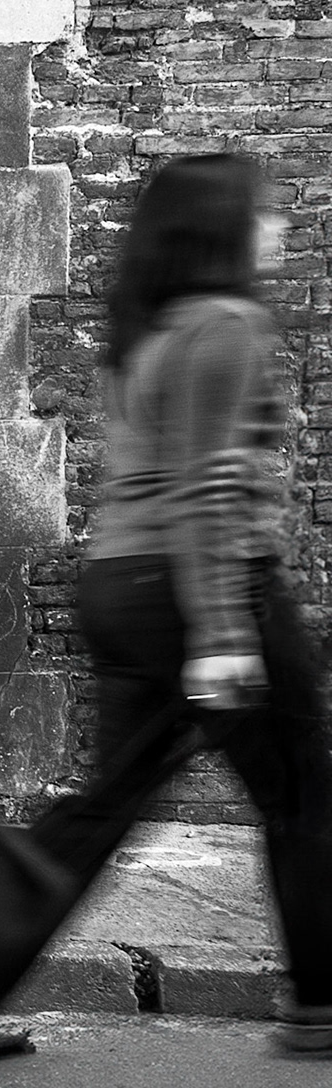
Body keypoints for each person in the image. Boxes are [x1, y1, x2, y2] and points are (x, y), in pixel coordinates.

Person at [73, 152, 332, 1054]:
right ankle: (320, 1002)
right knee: (305, 796)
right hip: (206, 591)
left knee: (97, 815)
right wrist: (223, 633)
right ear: (220, 228)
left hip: (123, 584)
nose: (279, 226)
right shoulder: (224, 325)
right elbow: (208, 488)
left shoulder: (147, 332)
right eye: (263, 211)